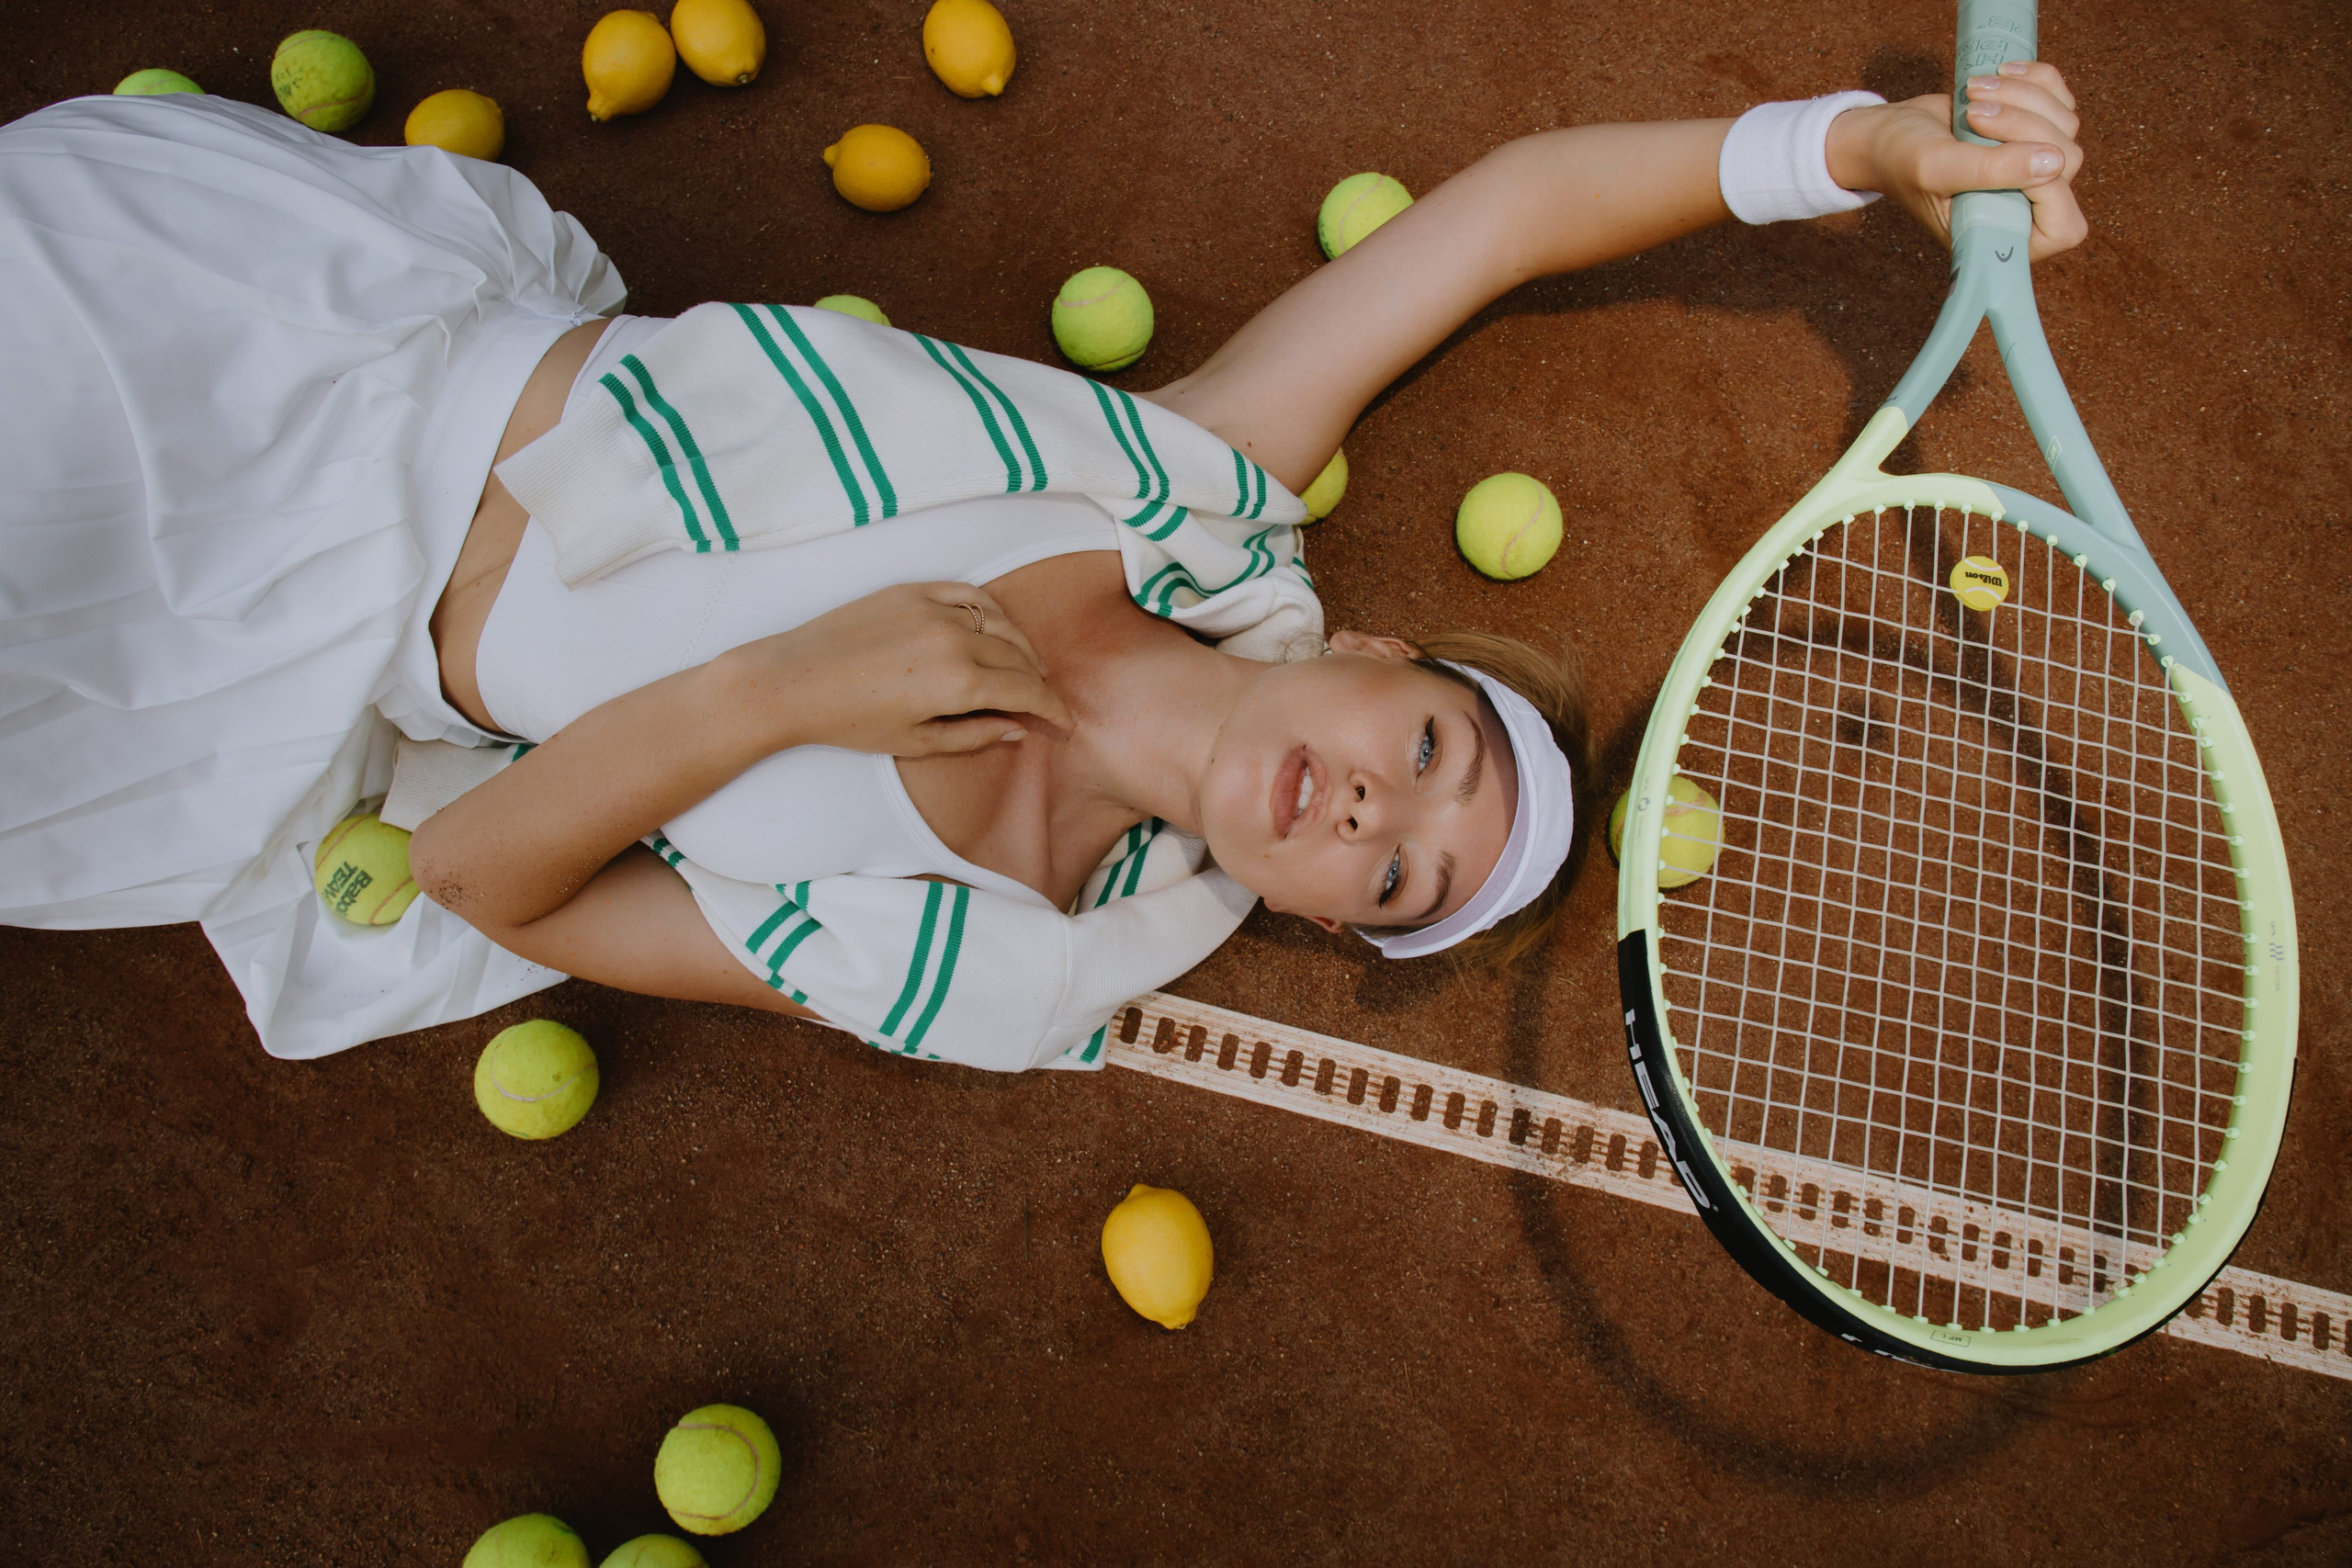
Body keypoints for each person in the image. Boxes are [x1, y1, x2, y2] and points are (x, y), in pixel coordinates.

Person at [0, 63, 2086, 1063]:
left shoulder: (995, 955)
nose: (1376, 810)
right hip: (329, 338)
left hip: (232, 634)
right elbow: (1508, 206)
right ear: (1365, 647)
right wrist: (1866, 147)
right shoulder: (1184, 484)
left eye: (1393, 875)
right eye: (1432, 751)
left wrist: (788, 690)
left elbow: (477, 884)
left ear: (1305, 911)